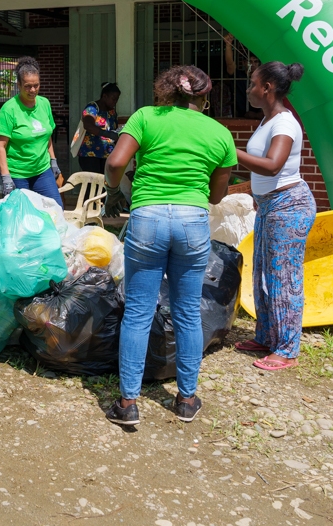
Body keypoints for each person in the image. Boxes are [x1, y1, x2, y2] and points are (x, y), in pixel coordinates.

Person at [103, 66, 236, 426]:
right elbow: (218, 194)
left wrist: (114, 193)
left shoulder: (146, 117)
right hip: (192, 223)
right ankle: (186, 399)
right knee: (188, 313)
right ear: (204, 98)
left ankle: (128, 404)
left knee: (138, 313)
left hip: (147, 220)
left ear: (167, 91)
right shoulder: (220, 134)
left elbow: (116, 162)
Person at [232, 62, 315, 372]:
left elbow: (272, 165)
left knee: (285, 279)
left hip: (289, 206)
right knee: (263, 274)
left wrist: (230, 150)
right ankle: (268, 336)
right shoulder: (267, 121)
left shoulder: (284, 123)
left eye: (252, 83)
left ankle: (287, 349)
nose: (249, 88)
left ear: (267, 87)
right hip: (269, 206)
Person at [0, 57, 63, 206]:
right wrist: (6, 177)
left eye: (36, 85)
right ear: (18, 85)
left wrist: (53, 161)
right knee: (22, 216)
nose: (33, 90)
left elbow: (47, 136)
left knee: (55, 209)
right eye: (28, 86)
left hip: (42, 170)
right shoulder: (9, 110)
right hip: (17, 173)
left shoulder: (44, 104)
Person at [77, 82, 121, 175]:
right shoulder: (92, 108)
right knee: (92, 186)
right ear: (104, 96)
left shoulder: (112, 112)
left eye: (117, 100)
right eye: (113, 99)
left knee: (105, 185)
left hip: (107, 155)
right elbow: (88, 125)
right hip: (90, 155)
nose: (115, 102)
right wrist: (108, 134)